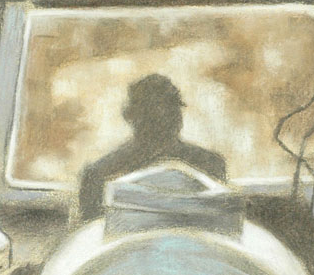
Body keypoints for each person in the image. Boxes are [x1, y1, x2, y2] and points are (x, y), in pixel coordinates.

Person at [78, 74, 226, 219]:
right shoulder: (99, 175)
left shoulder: (210, 164)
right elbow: (92, 229)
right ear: (131, 116)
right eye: (153, 113)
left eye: (171, 110)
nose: (165, 119)